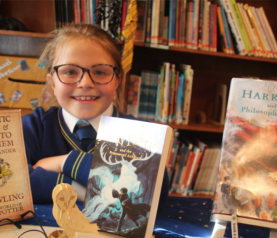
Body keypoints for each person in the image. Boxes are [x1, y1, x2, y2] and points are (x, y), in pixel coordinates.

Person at [22, 24, 169, 204]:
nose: (85, 83)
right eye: (70, 72)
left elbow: (151, 195)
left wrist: (66, 162)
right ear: (52, 82)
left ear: (117, 80)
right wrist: (86, 191)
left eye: (99, 72)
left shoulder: (139, 135)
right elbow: (11, 185)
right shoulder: (32, 127)